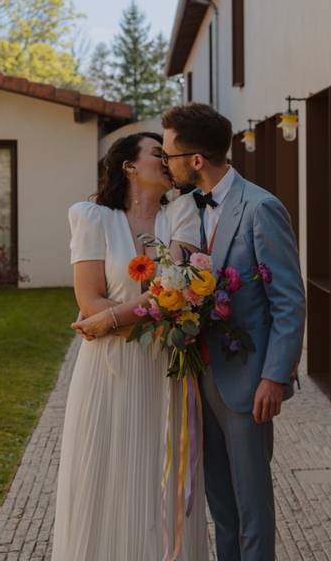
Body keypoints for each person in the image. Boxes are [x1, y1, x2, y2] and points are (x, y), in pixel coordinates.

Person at [51, 132, 209, 561]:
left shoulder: (181, 212)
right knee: (103, 473)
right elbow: (89, 300)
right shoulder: (93, 218)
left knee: (160, 476)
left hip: (165, 369)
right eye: (157, 153)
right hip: (108, 371)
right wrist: (133, 316)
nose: (167, 160)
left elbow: (175, 286)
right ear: (129, 166)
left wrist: (111, 319)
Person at [161, 103, 306, 561]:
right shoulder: (185, 210)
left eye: (170, 156)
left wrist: (274, 376)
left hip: (248, 382)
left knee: (251, 506)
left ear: (196, 160)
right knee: (220, 506)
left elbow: (289, 299)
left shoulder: (261, 208)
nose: (166, 164)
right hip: (200, 376)